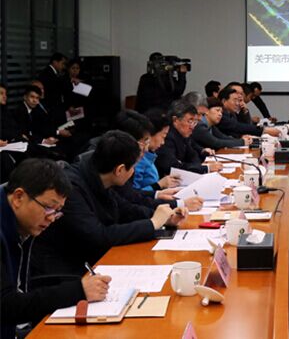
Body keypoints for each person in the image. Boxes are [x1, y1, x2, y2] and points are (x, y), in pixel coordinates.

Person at [32, 131, 187, 277]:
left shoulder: (99, 174)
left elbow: (125, 208)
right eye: (132, 167)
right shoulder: (72, 188)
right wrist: (152, 223)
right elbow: (98, 236)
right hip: (67, 268)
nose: (133, 172)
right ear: (120, 170)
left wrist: (165, 218)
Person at [1, 159, 112, 338]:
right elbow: (5, 305)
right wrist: (79, 291)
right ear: (18, 197)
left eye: (57, 211)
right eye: (48, 208)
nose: (52, 218)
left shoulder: (21, 223)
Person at [155, 100, 223, 177]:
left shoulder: (183, 134)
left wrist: (199, 166)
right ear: (175, 120)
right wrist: (206, 168)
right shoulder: (166, 137)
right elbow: (173, 168)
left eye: (195, 122)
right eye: (190, 121)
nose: (192, 127)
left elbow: (193, 156)